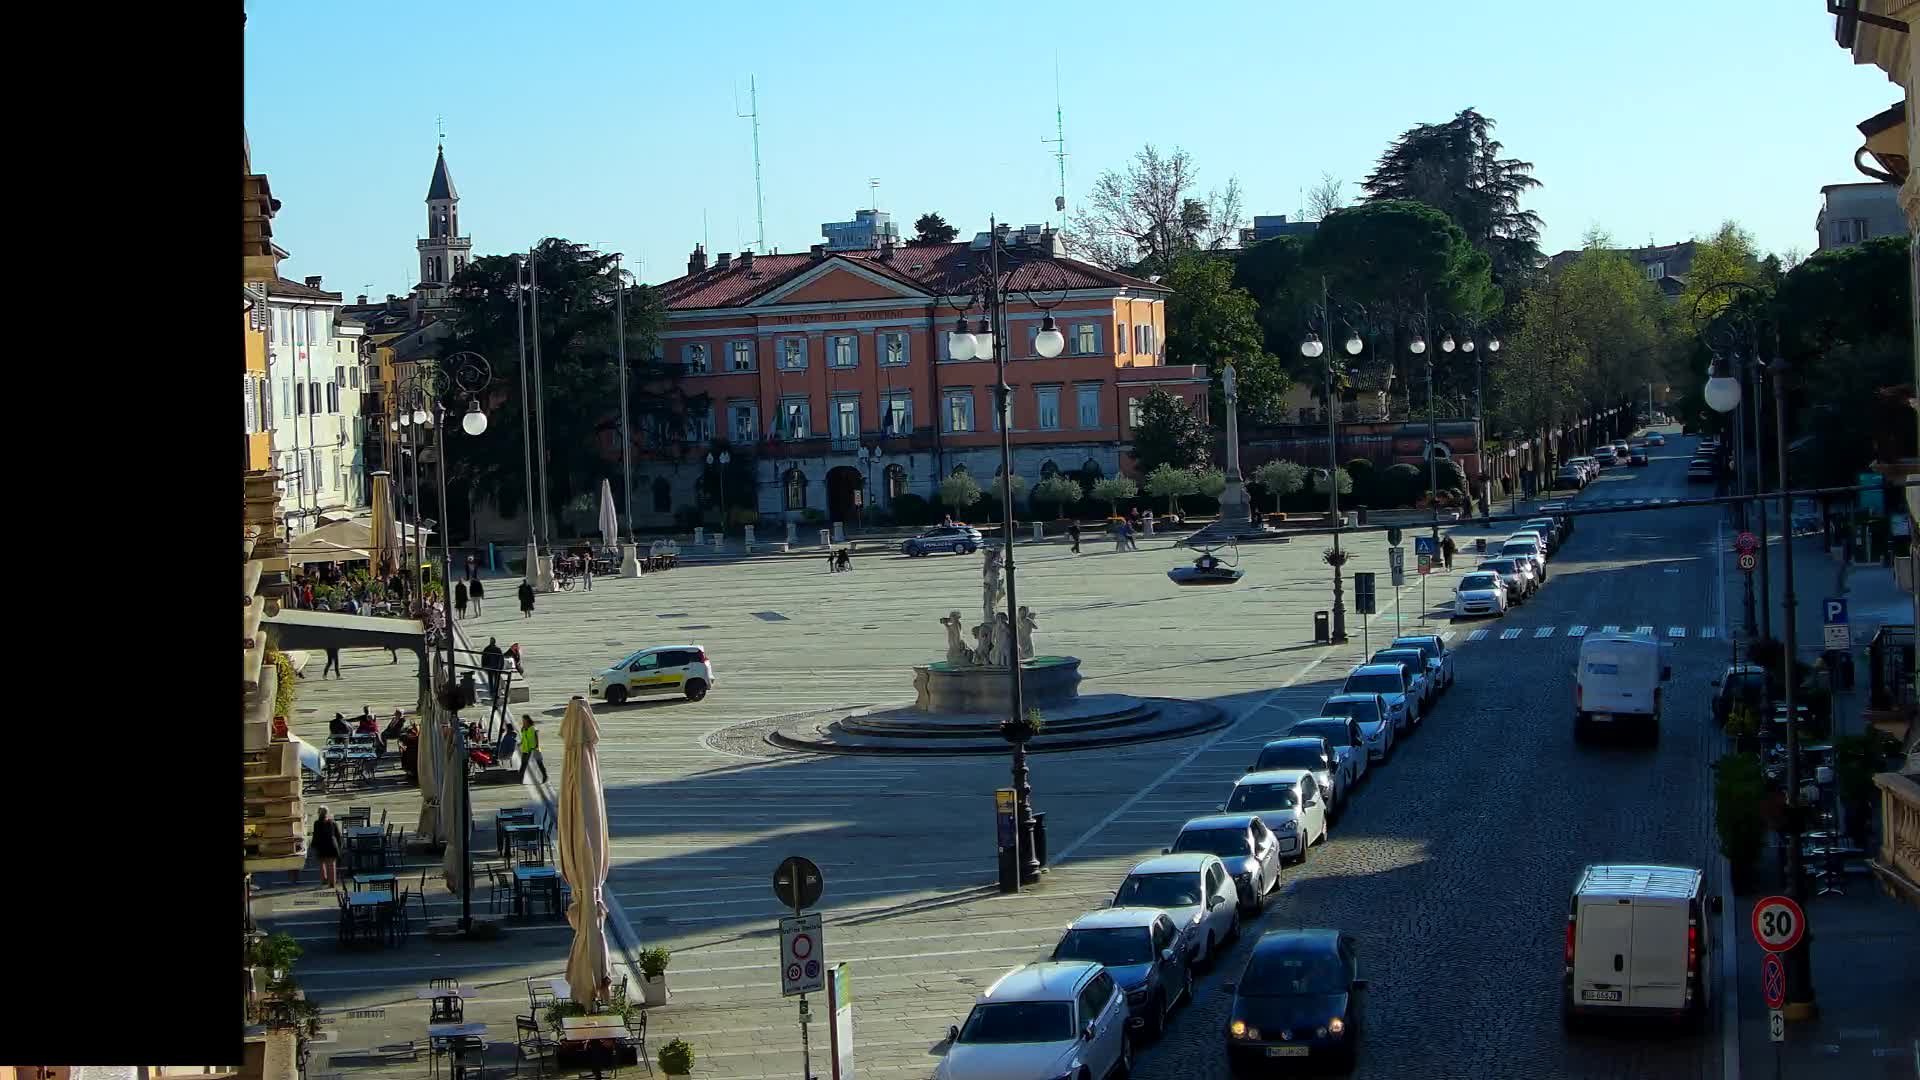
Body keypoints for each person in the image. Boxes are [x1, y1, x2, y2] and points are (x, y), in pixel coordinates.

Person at [310, 807, 343, 888]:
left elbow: (315, 836)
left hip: (321, 846)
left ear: (319, 813)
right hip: (332, 845)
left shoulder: (317, 823)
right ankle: (332, 883)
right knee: (331, 864)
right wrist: (340, 846)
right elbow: (338, 835)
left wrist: (313, 845)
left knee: (322, 863)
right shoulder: (333, 823)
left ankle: (324, 880)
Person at [517, 715, 549, 785]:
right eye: (523, 720)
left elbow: (536, 736)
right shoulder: (523, 729)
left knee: (539, 763)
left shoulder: (533, 728)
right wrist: (520, 743)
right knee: (523, 765)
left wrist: (537, 746)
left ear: (528, 720)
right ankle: (519, 780)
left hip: (533, 748)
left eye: (524, 720)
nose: (523, 721)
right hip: (526, 749)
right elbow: (523, 738)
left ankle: (545, 776)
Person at [480, 637, 505, 703]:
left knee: (491, 680)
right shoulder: (498, 649)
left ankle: (492, 693)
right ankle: (495, 693)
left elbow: (483, 658)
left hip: (490, 667)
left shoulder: (487, 649)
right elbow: (501, 659)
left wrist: (483, 666)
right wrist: (501, 667)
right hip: (496, 668)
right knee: (496, 681)